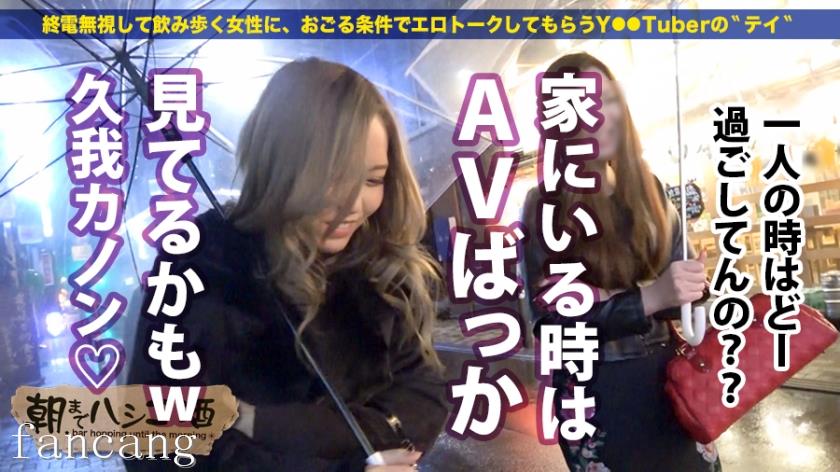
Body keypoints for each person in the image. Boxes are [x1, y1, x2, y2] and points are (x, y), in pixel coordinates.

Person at [126, 58, 448, 471]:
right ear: (279, 163)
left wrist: (262, 423)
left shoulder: (381, 267)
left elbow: (423, 399)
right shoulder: (201, 261)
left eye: (372, 180)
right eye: (332, 177)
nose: (353, 206)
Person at [522, 52, 721, 472]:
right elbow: (551, 323)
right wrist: (650, 297)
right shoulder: (545, 205)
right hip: (597, 395)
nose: (602, 115)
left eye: (609, 99)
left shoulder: (650, 189)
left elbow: (679, 296)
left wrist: (689, 286)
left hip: (672, 381)